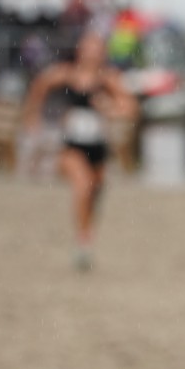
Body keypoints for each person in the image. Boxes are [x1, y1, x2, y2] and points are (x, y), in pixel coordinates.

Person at [22, 29, 138, 269]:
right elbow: (39, 87)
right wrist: (33, 118)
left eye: (97, 48)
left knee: (95, 194)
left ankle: (85, 236)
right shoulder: (66, 74)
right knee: (82, 185)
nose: (92, 53)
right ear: (80, 50)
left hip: (98, 146)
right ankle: (83, 243)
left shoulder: (108, 79)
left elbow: (130, 108)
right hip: (71, 145)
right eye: (88, 47)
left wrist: (110, 108)